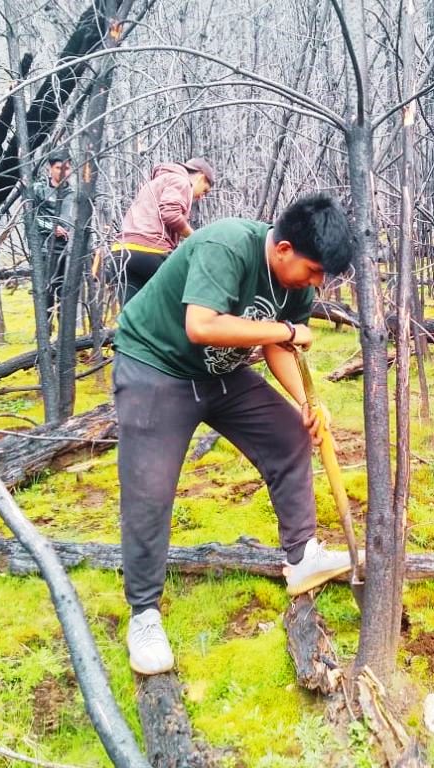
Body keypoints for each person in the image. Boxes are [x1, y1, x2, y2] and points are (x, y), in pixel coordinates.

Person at [114, 192, 359, 675]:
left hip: (218, 375)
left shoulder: (299, 284)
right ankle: (144, 614)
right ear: (283, 248)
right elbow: (202, 325)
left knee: (290, 435)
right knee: (150, 489)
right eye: (312, 271)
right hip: (154, 365)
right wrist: (285, 333)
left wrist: (307, 402)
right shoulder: (228, 245)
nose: (316, 284)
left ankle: (303, 556)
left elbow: (278, 348)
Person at [111, 157, 215, 305]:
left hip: (121, 252)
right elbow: (170, 215)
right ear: (201, 176)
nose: (202, 197)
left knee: (133, 316)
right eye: (205, 190)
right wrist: (195, 238)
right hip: (149, 250)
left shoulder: (154, 183)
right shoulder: (181, 181)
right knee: (190, 298)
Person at [31, 149, 74, 315]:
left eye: (67, 168)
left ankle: (64, 338)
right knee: (46, 292)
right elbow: (29, 219)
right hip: (45, 250)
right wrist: (51, 227)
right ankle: (45, 333)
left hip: (68, 251)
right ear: (50, 168)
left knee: (65, 293)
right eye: (58, 167)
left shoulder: (73, 193)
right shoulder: (38, 190)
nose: (63, 171)